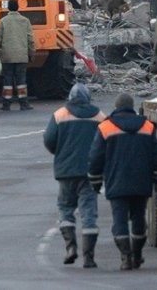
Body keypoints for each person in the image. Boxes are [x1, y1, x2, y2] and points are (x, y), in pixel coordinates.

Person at [88, 93, 157, 271]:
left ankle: (125, 256)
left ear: (116, 107)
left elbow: (95, 157)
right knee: (139, 218)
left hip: (116, 181)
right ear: (132, 107)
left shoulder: (106, 127)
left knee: (119, 220)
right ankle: (137, 254)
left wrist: (95, 181)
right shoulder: (147, 126)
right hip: (141, 181)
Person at [43, 83, 106, 268]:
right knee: (89, 214)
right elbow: (106, 143)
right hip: (90, 174)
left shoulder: (59, 115)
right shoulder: (100, 116)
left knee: (65, 209)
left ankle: (70, 248)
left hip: (66, 172)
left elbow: (49, 140)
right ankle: (89, 257)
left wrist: (61, 154)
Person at [0, 0, 35, 110]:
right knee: (21, 81)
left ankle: (6, 104)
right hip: (21, 56)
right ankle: (24, 104)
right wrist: (31, 53)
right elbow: (30, 40)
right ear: (18, 7)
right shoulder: (25, 21)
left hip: (7, 57)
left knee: (7, 81)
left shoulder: (3, 21)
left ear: (8, 8)